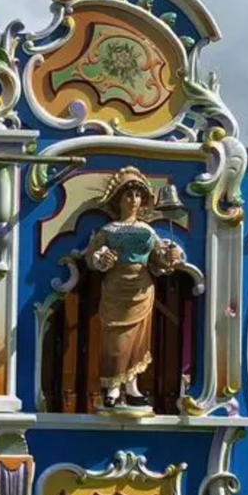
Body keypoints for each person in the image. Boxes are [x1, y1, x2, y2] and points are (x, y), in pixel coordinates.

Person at [84, 167, 185, 412]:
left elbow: (157, 258)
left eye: (138, 195)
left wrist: (169, 256)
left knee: (138, 340)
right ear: (118, 199)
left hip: (141, 288)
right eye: (128, 195)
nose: (133, 200)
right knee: (115, 340)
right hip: (115, 288)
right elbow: (91, 257)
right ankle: (112, 387)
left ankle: (132, 387)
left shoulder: (147, 231)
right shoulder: (108, 230)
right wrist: (102, 258)